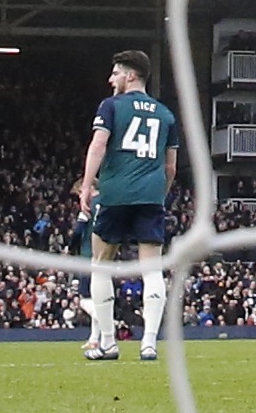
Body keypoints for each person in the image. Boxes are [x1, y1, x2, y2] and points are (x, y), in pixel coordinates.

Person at [74, 55, 180, 361]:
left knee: (100, 263)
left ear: (131, 76)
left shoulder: (111, 106)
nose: (111, 79)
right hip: (150, 197)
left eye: (116, 73)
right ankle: (149, 343)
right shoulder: (166, 114)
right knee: (152, 268)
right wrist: (160, 193)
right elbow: (170, 167)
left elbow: (98, 145)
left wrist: (86, 185)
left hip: (114, 195)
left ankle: (108, 342)